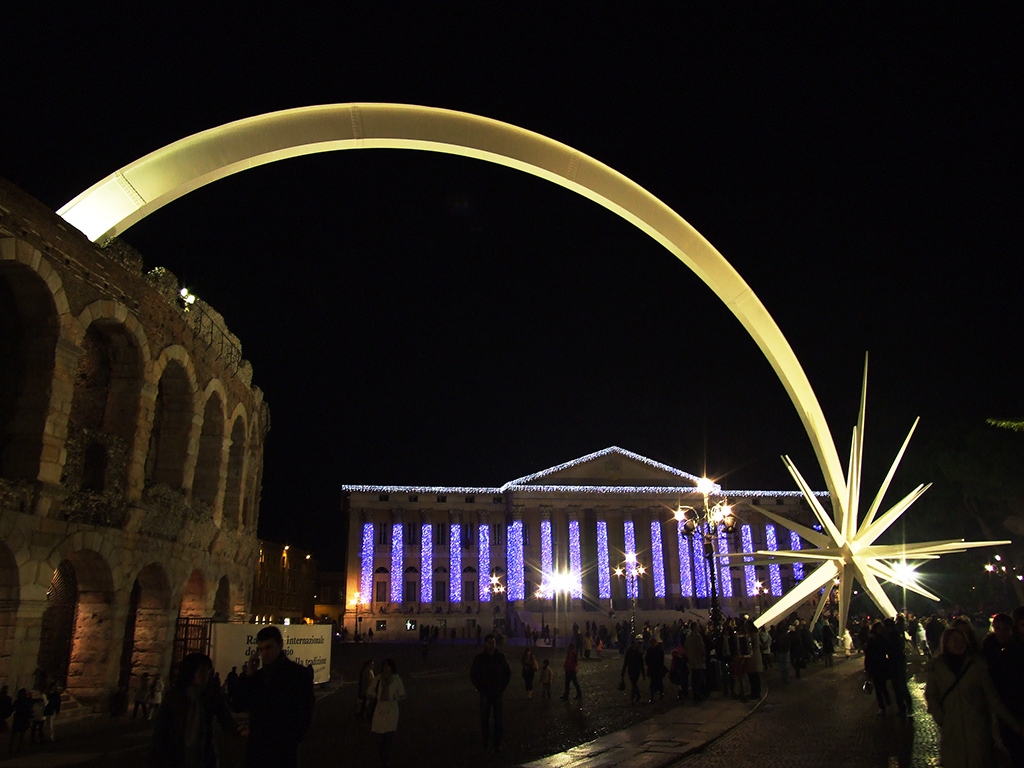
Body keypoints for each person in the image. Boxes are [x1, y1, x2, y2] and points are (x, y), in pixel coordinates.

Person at [926, 627, 1023, 768]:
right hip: (952, 733)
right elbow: (931, 694)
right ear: (946, 643)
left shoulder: (977, 665)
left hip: (977, 732)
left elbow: (992, 698)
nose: (959, 643)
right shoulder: (937, 668)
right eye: (955, 640)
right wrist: (941, 718)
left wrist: (1015, 724)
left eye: (962, 640)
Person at [234, 625, 315, 768]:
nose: (265, 653)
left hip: (282, 750)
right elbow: (239, 704)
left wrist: (290, 739)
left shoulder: (299, 675)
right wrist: (248, 676)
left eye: (269, 647)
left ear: (280, 645)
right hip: (256, 750)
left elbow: (305, 712)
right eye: (261, 649)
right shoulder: (257, 676)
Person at [149, 652, 240, 768]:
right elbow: (161, 730)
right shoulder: (174, 696)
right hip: (176, 755)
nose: (206, 675)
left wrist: (237, 729)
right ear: (190, 672)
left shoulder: (212, 695)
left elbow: (225, 718)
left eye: (208, 671)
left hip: (204, 755)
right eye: (201, 671)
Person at [982, 613, 1024, 767]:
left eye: (1005, 629)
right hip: (1000, 706)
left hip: (1016, 705)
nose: (1001, 632)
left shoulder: (1017, 650)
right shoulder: (988, 650)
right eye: (997, 628)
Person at [470, 634, 511, 752]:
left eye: (493, 642)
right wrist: (480, 688)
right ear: (485, 644)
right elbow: (473, 675)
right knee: (484, 719)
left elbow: (508, 673)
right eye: (490, 643)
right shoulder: (480, 658)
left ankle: (496, 743)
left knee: (498, 719)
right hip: (486, 692)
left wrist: (502, 687)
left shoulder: (501, 657)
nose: (492, 645)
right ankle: (485, 741)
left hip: (497, 692)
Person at [369, 658, 405, 768]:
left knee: (388, 737)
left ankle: (385, 760)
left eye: (388, 666)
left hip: (391, 710)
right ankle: (383, 757)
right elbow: (369, 691)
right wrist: (375, 696)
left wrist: (395, 697)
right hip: (380, 709)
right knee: (379, 738)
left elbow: (402, 693)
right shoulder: (378, 679)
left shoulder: (396, 679)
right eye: (384, 666)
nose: (386, 668)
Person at [864, 621, 892, 715]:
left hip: (877, 665)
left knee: (880, 687)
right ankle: (886, 704)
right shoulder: (881, 639)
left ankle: (884, 705)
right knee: (880, 687)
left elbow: (868, 655)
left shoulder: (873, 640)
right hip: (879, 665)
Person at [621, 638, 645, 704]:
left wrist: (643, 673)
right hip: (631, 670)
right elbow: (625, 662)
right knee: (633, 683)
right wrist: (623, 671)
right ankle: (637, 695)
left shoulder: (638, 653)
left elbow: (641, 664)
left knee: (633, 683)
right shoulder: (629, 652)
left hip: (636, 670)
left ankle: (633, 697)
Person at [8, 689, 31, 754]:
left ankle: (11, 747)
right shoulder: (26, 701)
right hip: (23, 718)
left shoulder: (17, 701)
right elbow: (29, 709)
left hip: (18, 718)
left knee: (14, 734)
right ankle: (19, 748)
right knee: (22, 734)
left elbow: (12, 709)